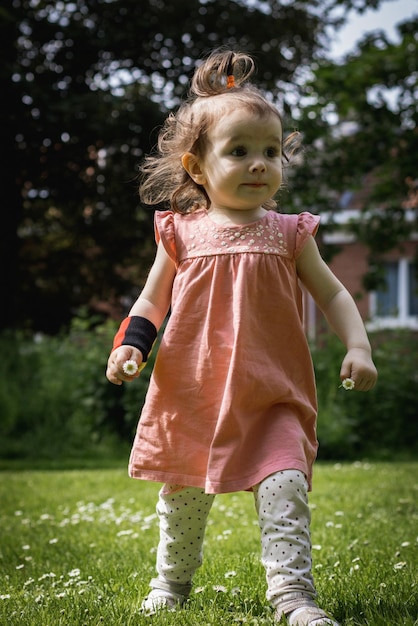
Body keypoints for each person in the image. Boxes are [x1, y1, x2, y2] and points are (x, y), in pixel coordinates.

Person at [106, 49, 377, 626]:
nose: (260, 164)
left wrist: (358, 345)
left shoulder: (288, 233)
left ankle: (294, 597)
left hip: (272, 395)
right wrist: (131, 343)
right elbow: (153, 298)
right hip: (192, 393)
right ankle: (171, 585)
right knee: (182, 500)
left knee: (285, 490)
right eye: (239, 151)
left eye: (271, 152)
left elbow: (333, 294)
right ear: (197, 167)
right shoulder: (179, 232)